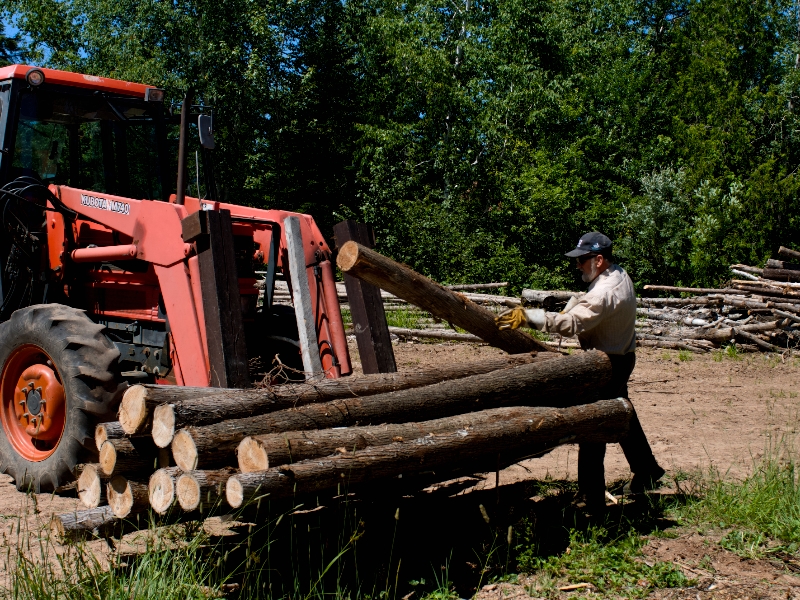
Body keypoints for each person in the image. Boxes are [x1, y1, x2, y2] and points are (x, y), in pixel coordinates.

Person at [495, 231, 665, 512]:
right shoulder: (617, 274)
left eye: (582, 260)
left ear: (599, 259)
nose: (577, 266)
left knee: (593, 424)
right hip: (622, 355)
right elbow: (585, 306)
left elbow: (572, 324)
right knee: (623, 413)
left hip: (606, 363)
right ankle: (647, 471)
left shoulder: (604, 292)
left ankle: (590, 496)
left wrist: (527, 317)